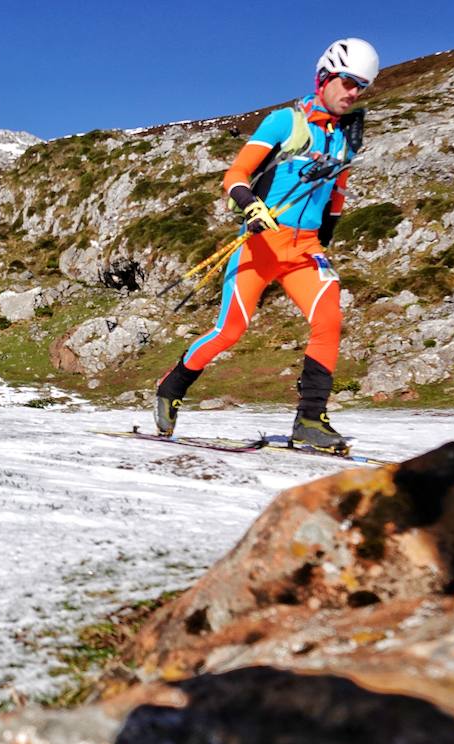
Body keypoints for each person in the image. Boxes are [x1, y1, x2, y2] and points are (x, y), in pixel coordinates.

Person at [154, 38, 377, 454]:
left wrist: (328, 231)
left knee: (329, 319)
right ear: (325, 76)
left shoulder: (346, 140)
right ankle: (171, 387)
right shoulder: (284, 122)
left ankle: (311, 419)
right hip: (260, 245)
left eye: (360, 87)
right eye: (347, 82)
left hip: (305, 250)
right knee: (230, 330)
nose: (352, 93)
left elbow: (338, 192)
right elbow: (236, 174)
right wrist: (250, 205)